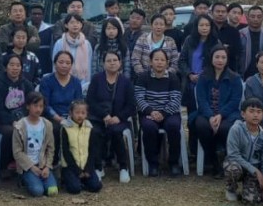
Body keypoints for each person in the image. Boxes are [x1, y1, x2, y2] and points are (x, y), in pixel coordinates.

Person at [85, 51, 134, 184]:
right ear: (103, 63)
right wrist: (104, 115)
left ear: (120, 63)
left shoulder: (126, 81)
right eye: (108, 61)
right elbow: (90, 101)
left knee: (116, 131)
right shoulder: (96, 79)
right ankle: (98, 166)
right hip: (98, 118)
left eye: (115, 60)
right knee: (94, 132)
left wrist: (119, 117)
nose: (112, 63)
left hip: (119, 119)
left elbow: (131, 105)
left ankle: (123, 167)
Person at [193, 46, 243, 178]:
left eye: (223, 57)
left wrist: (220, 115)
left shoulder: (235, 78)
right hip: (206, 113)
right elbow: (201, 99)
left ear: (227, 60)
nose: (220, 60)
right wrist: (210, 116)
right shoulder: (203, 76)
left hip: (227, 114)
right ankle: (214, 161)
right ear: (211, 58)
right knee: (201, 126)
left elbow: (235, 101)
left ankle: (226, 160)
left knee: (226, 128)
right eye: (217, 57)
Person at [135, 49, 183, 177]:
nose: (159, 63)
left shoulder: (173, 78)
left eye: (162, 60)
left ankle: (173, 162)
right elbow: (139, 98)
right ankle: (153, 163)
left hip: (169, 113)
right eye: (156, 59)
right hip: (149, 112)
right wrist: (151, 111)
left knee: (173, 126)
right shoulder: (143, 77)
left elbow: (176, 99)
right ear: (150, 62)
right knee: (149, 127)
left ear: (167, 63)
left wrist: (163, 113)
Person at [0, 54, 35, 173]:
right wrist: (12, 121)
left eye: (18, 65)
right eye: (11, 65)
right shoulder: (0, 85)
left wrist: (25, 119)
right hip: (5, 122)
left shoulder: (26, 84)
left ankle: (31, 163)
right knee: (11, 132)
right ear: (6, 67)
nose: (15, 68)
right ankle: (7, 164)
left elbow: (33, 103)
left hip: (25, 119)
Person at [223, 98, 263, 204]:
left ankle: (247, 189)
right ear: (243, 114)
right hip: (237, 164)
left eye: (259, 112)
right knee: (232, 168)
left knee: (252, 201)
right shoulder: (236, 129)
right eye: (251, 111)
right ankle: (231, 188)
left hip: (252, 170)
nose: (255, 115)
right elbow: (233, 155)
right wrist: (255, 171)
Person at [13, 91, 58, 197]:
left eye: (41, 106)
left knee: (52, 191)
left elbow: (50, 148)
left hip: (42, 164)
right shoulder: (20, 126)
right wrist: (32, 167)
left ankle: (42, 179)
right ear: (28, 106)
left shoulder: (47, 125)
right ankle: (25, 178)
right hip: (28, 166)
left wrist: (47, 167)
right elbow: (17, 152)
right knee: (38, 191)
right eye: (35, 105)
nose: (38, 109)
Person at [179, 14, 221, 116]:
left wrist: (203, 75)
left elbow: (219, 63)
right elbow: (182, 60)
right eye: (201, 25)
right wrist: (190, 74)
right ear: (196, 26)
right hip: (190, 84)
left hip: (208, 84)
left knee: (206, 115)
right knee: (192, 116)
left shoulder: (216, 42)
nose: (204, 28)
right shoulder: (189, 40)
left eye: (207, 25)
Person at [61, 100, 103, 194]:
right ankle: (72, 179)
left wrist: (88, 168)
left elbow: (92, 150)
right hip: (71, 166)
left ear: (86, 114)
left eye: (83, 113)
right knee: (75, 189)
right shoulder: (65, 128)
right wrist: (77, 170)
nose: (80, 115)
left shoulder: (89, 128)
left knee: (96, 187)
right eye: (77, 112)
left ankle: (83, 179)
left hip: (86, 165)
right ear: (71, 113)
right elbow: (66, 152)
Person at [40, 51, 84, 128]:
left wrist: (72, 118)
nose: (64, 65)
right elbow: (45, 104)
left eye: (68, 63)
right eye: (61, 62)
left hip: (72, 117)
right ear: (54, 64)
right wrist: (58, 119)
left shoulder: (76, 82)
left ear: (71, 65)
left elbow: (79, 103)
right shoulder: (46, 81)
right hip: (52, 118)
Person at [52, 14, 94, 92]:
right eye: (72, 22)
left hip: (83, 82)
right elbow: (55, 64)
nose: (75, 25)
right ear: (66, 25)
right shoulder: (60, 43)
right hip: (63, 80)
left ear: (81, 25)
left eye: (78, 23)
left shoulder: (87, 44)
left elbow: (89, 65)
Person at [238, 6, 263, 78]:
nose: (256, 19)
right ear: (247, 18)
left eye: (259, 16)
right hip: (244, 75)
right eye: (252, 16)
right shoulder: (240, 34)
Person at [210, 1, 244, 66]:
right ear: (211, 13)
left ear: (227, 13)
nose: (220, 14)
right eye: (217, 11)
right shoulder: (207, 29)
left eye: (223, 12)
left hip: (228, 69)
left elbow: (238, 52)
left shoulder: (234, 31)